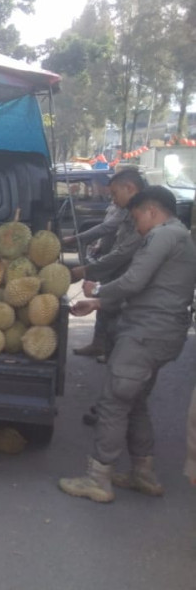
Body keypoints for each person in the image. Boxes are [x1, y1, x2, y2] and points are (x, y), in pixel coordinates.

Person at [60, 186, 196, 503]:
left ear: (151, 211)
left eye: (137, 218)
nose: (136, 226)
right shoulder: (180, 237)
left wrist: (98, 292)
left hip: (146, 335)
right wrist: (98, 305)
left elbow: (134, 281)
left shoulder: (163, 236)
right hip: (161, 332)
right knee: (134, 402)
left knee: (113, 402)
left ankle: (98, 479)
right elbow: (150, 292)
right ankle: (143, 474)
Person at [67, 169, 146, 359]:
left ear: (130, 188)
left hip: (127, 271)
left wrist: (86, 269)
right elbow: (113, 234)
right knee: (106, 306)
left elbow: (123, 250)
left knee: (118, 312)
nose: (113, 199)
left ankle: (114, 353)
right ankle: (102, 346)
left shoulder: (142, 215)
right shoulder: (125, 208)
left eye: (115, 194)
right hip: (115, 266)